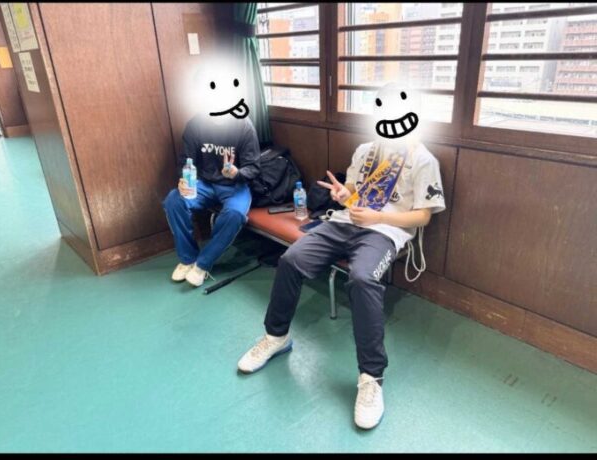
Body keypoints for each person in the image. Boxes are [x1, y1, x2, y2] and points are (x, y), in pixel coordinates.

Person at [237, 83, 446, 430]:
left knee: (362, 279)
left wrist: (376, 217)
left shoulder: (423, 159)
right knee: (290, 260)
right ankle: (276, 337)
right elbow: (353, 194)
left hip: (385, 232)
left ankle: (371, 378)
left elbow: (423, 216)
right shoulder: (366, 150)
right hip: (343, 223)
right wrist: (342, 194)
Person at [163, 64, 260, 287]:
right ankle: (188, 259)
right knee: (173, 200)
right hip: (204, 183)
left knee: (235, 214)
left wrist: (236, 172)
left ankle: (203, 264)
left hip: (235, 186)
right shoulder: (195, 125)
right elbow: (185, 161)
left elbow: (254, 167)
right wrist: (183, 180)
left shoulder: (243, 125)